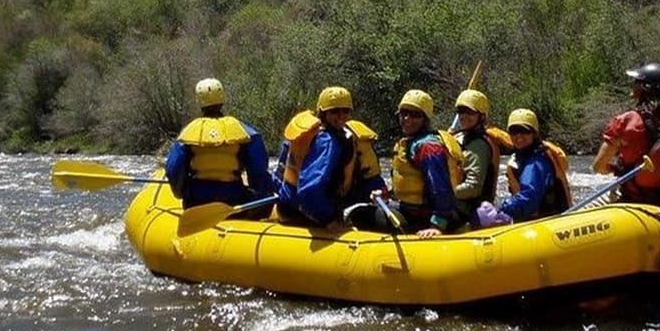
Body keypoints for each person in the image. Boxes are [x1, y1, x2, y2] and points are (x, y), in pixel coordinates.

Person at [275, 86, 387, 229]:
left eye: (345, 111)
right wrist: (330, 220)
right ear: (323, 113)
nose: (341, 116)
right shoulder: (326, 142)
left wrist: (380, 191)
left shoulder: (345, 137)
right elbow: (309, 191)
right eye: (334, 111)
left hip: (295, 205)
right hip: (304, 210)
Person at [591, 62, 660, 219]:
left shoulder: (627, 121)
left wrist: (617, 166)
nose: (632, 84)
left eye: (636, 81)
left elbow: (599, 167)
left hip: (628, 204)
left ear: (645, 87)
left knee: (582, 210)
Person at [164, 78, 274, 215]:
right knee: (266, 200)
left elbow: (173, 169)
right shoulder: (243, 131)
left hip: (196, 201)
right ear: (222, 99)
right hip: (234, 198)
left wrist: (181, 192)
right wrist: (260, 192)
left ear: (199, 101)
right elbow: (258, 168)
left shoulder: (188, 133)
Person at [476, 108, 572, 226]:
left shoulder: (536, 161)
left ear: (534, 134)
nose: (519, 136)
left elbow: (529, 197)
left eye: (524, 131)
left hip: (551, 223)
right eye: (514, 131)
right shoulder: (523, 157)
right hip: (538, 221)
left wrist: (500, 209)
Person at [389, 89, 464, 238]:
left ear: (425, 119)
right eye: (404, 113)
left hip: (422, 217)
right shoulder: (411, 142)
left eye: (415, 115)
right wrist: (386, 193)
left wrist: (437, 225)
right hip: (409, 209)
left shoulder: (428, 147)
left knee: (360, 215)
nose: (407, 119)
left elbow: (440, 188)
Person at [450, 89, 502, 222]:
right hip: (456, 203)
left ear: (481, 116)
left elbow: (473, 188)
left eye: (470, 112)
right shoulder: (460, 137)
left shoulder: (479, 145)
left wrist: (443, 193)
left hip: (468, 209)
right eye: (461, 112)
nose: (464, 116)